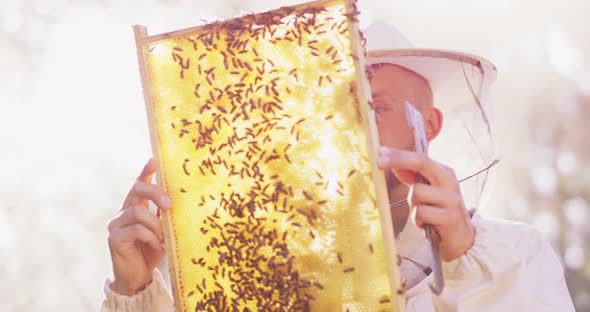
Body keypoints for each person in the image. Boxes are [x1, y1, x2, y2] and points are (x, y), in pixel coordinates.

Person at [101, 21, 575, 311]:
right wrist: (136, 291)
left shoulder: (515, 255)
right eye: (335, 111)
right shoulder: (274, 279)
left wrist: (464, 264)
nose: (353, 131)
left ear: (427, 124)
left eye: (378, 107)